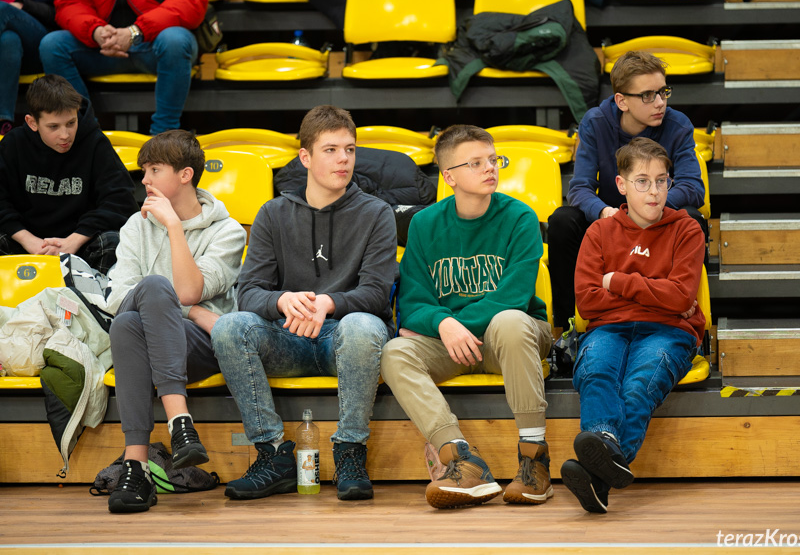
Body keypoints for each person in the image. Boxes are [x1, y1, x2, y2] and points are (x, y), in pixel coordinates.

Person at [211, 105, 398, 502]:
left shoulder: (376, 212)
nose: (343, 158)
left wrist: (328, 303)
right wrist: (284, 300)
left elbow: (378, 293)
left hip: (345, 340)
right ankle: (272, 455)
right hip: (289, 338)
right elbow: (249, 292)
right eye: (330, 149)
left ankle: (350, 452)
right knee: (229, 325)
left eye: (349, 149)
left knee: (364, 325)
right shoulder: (273, 213)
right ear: (306, 157)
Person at [380, 124, 554, 509]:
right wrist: (444, 324)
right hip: (451, 341)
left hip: (515, 337)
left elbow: (515, 295)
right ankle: (460, 458)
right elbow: (412, 302)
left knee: (507, 321)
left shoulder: (520, 217)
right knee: (395, 352)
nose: (489, 168)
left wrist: (454, 323)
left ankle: (534, 460)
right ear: (449, 176)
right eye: (475, 163)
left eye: (492, 160)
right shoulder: (425, 225)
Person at [559, 137, 705, 514]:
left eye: (661, 180)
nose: (654, 191)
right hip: (609, 328)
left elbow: (681, 298)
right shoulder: (599, 233)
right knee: (597, 371)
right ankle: (604, 458)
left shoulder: (686, 230)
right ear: (621, 185)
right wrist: (657, 292)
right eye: (642, 181)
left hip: (669, 331)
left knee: (640, 384)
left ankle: (598, 471)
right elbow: (587, 302)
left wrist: (617, 281)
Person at [104, 129, 246, 513]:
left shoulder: (228, 232)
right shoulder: (136, 226)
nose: (144, 180)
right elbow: (118, 299)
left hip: (200, 347)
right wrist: (189, 310)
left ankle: (137, 467)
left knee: (144, 303)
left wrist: (174, 228)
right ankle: (173, 430)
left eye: (153, 170)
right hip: (160, 338)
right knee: (128, 321)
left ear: (185, 175)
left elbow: (187, 292)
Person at [547, 50, 706, 333]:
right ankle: (567, 328)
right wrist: (606, 213)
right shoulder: (595, 122)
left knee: (693, 219)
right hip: (609, 221)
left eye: (663, 92)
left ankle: (681, 314)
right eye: (647, 95)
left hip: (659, 218)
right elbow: (580, 188)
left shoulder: (677, 123)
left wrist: (652, 205)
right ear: (621, 101)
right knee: (562, 221)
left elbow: (693, 187)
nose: (659, 103)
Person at [0, 74, 137, 274]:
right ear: (32, 123)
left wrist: (75, 240)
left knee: (114, 243)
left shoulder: (95, 143)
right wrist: (27, 239)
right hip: (26, 242)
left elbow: (121, 201)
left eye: (71, 123)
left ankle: (98, 304)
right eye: (53, 127)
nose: (65, 135)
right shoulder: (13, 144)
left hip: (80, 245)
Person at [39, 0, 206, 134]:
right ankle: (87, 135)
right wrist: (95, 31)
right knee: (52, 45)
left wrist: (136, 32)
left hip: (156, 43)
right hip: (102, 46)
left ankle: (164, 137)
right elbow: (70, 1)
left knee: (175, 41)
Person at [0, 0, 57, 135]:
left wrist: (24, 6)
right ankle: (3, 123)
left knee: (2, 9)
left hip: (42, 41)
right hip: (6, 46)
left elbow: (59, 13)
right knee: (9, 40)